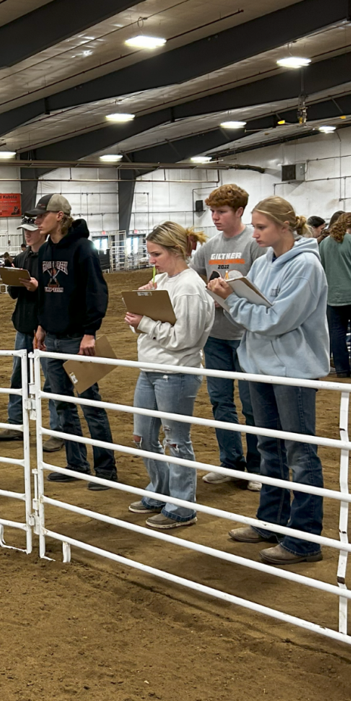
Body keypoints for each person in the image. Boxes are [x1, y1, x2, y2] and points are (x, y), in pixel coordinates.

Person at [210, 196, 329, 566]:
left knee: (300, 452)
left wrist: (233, 302)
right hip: (260, 365)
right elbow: (260, 314)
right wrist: (236, 302)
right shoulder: (263, 262)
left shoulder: (306, 266)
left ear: (284, 226)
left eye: (261, 227)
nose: (255, 234)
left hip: (293, 370)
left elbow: (277, 319)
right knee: (269, 447)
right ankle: (271, 520)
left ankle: (305, 538)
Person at [124, 222, 215, 529]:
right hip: (151, 368)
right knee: (144, 437)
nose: (151, 260)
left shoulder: (189, 287)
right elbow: (147, 328)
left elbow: (185, 339)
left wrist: (143, 322)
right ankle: (160, 490)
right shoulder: (163, 280)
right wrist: (139, 315)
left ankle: (182, 506)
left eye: (156, 254)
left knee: (175, 440)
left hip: (176, 372)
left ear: (176, 250)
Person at [31, 193, 119, 490]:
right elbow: (45, 291)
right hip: (53, 338)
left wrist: (90, 332)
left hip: (77, 339)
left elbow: (96, 291)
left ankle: (106, 469)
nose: (37, 221)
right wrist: (42, 325)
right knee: (62, 404)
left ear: (59, 216)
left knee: (90, 404)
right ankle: (76, 463)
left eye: (42, 215)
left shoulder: (83, 249)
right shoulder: (45, 250)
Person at [190, 184, 264, 491]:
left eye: (221, 211)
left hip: (246, 335)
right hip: (216, 335)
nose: (215, 217)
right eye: (212, 211)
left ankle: (258, 467)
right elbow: (193, 274)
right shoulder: (210, 247)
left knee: (252, 405)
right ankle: (230, 462)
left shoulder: (254, 245)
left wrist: (231, 296)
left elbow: (262, 287)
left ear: (239, 211)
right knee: (220, 401)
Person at [0, 215, 63, 450]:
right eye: (25, 230)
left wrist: (36, 288)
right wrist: (13, 280)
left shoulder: (52, 257)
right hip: (24, 326)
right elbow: (15, 294)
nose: (27, 233)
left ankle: (58, 430)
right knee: (18, 378)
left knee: (52, 380)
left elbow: (57, 292)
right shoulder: (22, 258)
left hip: (46, 328)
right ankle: (16, 424)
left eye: (31, 229)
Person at [319, 212, 351, 379]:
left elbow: (321, 269)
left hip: (333, 296)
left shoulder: (324, 244)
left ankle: (341, 369)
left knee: (336, 332)